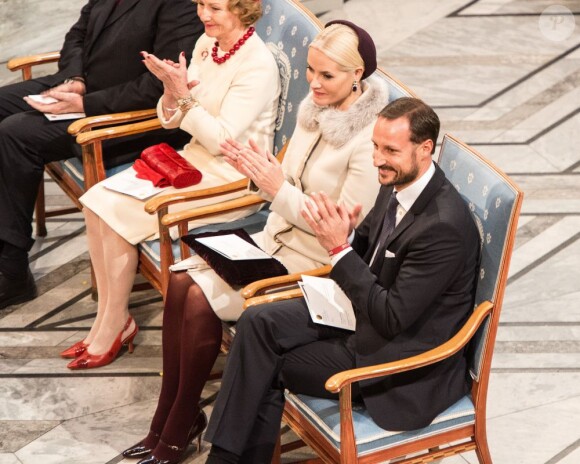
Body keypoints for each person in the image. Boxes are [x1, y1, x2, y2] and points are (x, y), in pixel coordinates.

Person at [121, 21, 388, 464]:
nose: (314, 83)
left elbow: (338, 232)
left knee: (198, 298)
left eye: (327, 76)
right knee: (181, 279)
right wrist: (267, 176)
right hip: (272, 242)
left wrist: (275, 186)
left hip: (314, 268)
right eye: (309, 70)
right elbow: (284, 181)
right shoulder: (314, 109)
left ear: (357, 75)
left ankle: (174, 433)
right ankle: (170, 422)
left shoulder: (367, 142)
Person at [203, 97, 482, 464]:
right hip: (362, 317)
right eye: (375, 147)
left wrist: (338, 249)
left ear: (425, 149)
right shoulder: (396, 180)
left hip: (401, 361)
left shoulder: (443, 226)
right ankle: (224, 457)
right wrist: (346, 236)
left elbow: (391, 317)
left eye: (390, 150)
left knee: (265, 365)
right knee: (257, 320)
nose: (378, 159)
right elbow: (365, 244)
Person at [62, 0, 281, 370]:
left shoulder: (257, 66)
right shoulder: (205, 46)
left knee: (116, 217)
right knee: (95, 200)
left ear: (243, 11)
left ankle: (114, 325)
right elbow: (174, 120)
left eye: (214, 8)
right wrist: (169, 90)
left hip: (234, 177)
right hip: (192, 159)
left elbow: (223, 140)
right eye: (200, 4)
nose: (203, 15)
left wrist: (183, 95)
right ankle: (108, 319)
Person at [0, 0, 203, 310]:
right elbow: (77, 35)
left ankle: (11, 269)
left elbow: (159, 86)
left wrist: (85, 105)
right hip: (85, 91)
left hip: (125, 116)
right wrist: (74, 81)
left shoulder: (181, 5)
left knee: (16, 133)